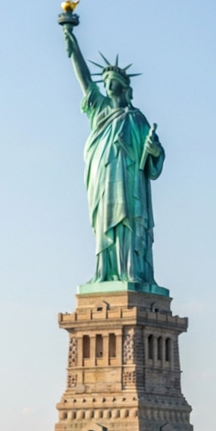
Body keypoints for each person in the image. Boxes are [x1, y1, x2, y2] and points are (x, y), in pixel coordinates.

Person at [64, 27, 165, 286]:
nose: (107, 86)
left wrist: (154, 151)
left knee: (129, 223)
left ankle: (132, 272)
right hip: (103, 176)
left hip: (131, 182)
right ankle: (106, 272)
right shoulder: (99, 108)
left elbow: (155, 158)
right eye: (105, 82)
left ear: (123, 87)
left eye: (112, 82)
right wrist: (71, 40)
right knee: (105, 222)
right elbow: (84, 78)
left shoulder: (136, 118)